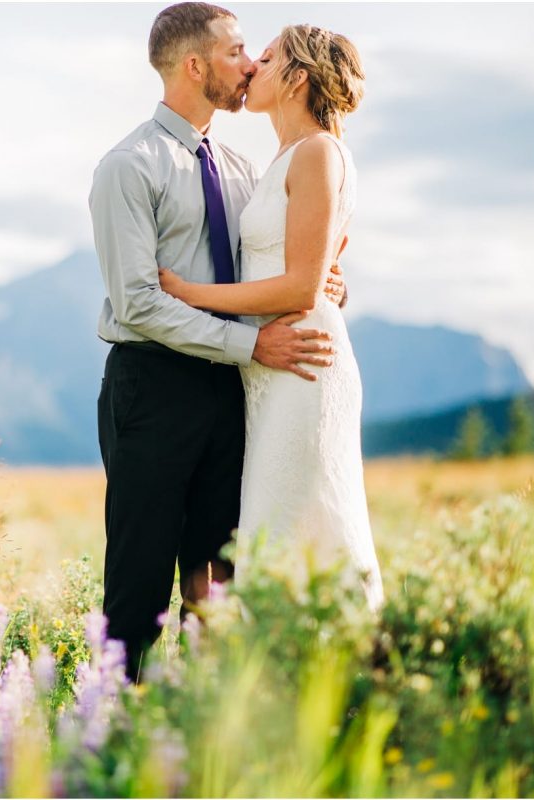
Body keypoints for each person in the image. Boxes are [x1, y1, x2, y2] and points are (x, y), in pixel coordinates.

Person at [88, 2, 347, 682]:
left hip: (234, 395)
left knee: (218, 580)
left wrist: (323, 285)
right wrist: (248, 347)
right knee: (139, 581)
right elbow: (138, 303)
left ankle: (206, 729)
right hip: (152, 389)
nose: (252, 64)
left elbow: (279, 267)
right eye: (237, 52)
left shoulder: (241, 167)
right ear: (195, 64)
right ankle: (113, 734)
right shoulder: (128, 167)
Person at [157, 23, 384, 611]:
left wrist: (190, 292)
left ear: (297, 78)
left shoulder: (315, 152)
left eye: (267, 57)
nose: (252, 67)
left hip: (301, 363)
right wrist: (329, 275)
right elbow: (321, 262)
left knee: (292, 521)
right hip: (271, 368)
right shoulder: (290, 157)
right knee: (279, 520)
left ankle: (331, 670)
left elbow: (304, 286)